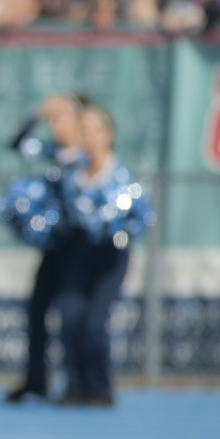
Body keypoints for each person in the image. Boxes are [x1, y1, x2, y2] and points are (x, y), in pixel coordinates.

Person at [56, 105, 151, 406]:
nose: (86, 138)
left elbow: (139, 218)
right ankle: (74, 385)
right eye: (81, 132)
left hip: (111, 256)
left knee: (95, 323)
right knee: (69, 316)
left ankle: (99, 387)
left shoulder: (122, 177)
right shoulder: (71, 174)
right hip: (79, 253)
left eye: (91, 131)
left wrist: (114, 227)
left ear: (107, 134)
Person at [5, 93, 87, 403]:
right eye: (52, 121)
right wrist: (36, 116)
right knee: (37, 310)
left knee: (71, 314)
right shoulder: (53, 153)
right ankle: (35, 381)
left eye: (61, 119)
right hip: (54, 248)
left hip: (79, 249)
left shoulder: (86, 156)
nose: (55, 126)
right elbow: (16, 145)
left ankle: (75, 382)